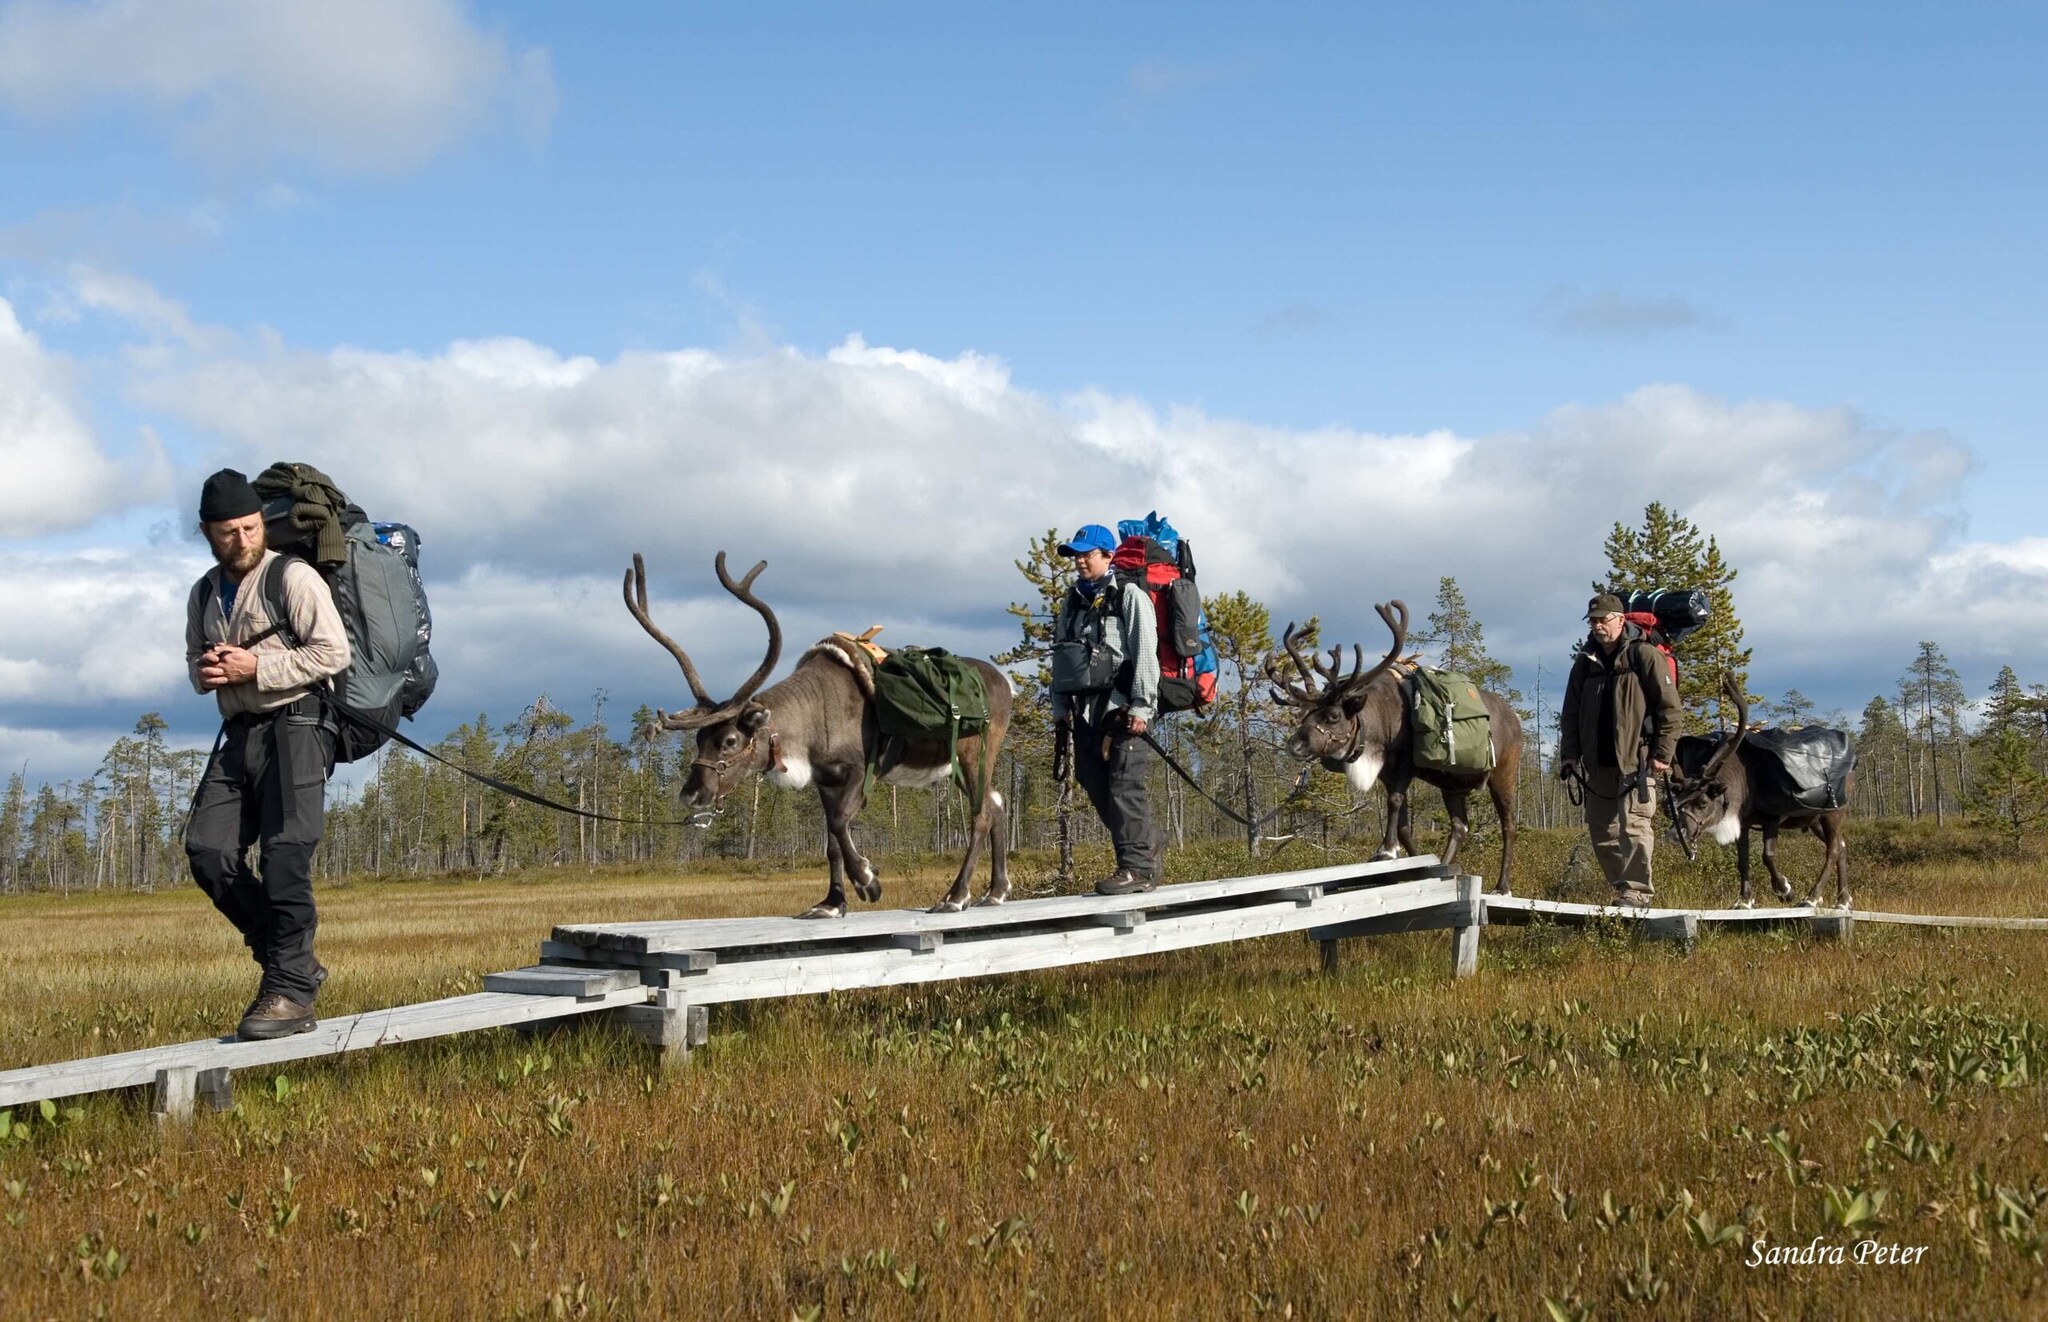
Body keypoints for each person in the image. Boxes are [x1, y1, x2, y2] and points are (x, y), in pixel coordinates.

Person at [184, 468, 350, 1040]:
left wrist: (258, 666)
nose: (243, 540)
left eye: (251, 527)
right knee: (207, 850)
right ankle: (292, 961)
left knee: (285, 855)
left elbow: (334, 652)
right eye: (229, 531)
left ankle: (290, 994)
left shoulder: (294, 577)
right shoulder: (204, 591)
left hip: (298, 723)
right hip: (239, 732)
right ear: (207, 532)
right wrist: (207, 674)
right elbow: (194, 664)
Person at [1049, 523, 1163, 896]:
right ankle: (1147, 843)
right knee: (1093, 781)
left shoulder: (1129, 596)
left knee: (1123, 786)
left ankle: (1136, 869)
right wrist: (1059, 705)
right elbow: (1062, 656)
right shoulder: (1073, 600)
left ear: (1107, 556)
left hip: (1122, 709)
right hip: (1084, 712)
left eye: (1087, 554)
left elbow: (1146, 651)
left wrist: (1143, 707)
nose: (1080, 561)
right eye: (1075, 555)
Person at [1557, 592, 1681, 907]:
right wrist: (1569, 755)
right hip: (1598, 763)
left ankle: (1638, 892)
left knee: (1635, 827)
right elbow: (1570, 712)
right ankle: (1623, 888)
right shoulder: (1585, 663)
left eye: (1603, 619)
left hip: (1637, 760)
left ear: (1620, 619)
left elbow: (1670, 709)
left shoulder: (1644, 655)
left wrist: (1663, 754)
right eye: (1593, 621)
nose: (1598, 626)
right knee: (1601, 831)